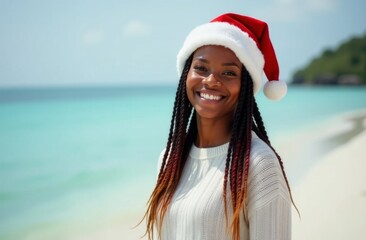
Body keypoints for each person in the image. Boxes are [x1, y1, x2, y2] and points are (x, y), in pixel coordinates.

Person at [143, 13, 297, 240]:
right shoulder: (169, 159)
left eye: (228, 73)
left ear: (245, 86)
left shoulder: (259, 165)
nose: (211, 81)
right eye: (201, 68)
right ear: (186, 74)